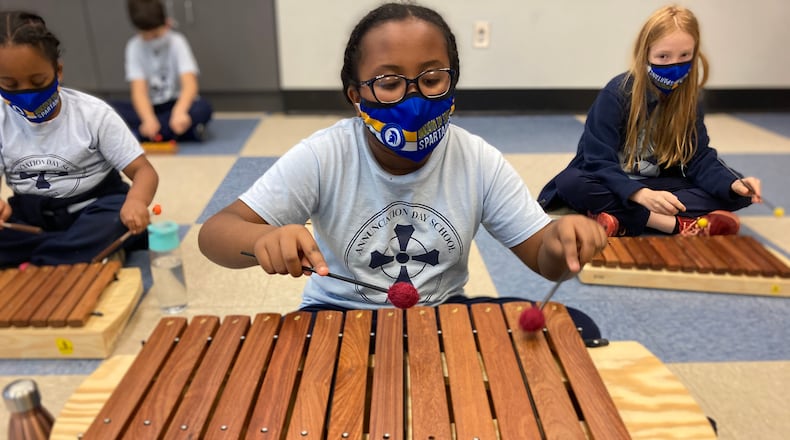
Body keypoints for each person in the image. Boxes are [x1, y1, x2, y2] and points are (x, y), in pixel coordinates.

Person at [199, 3, 608, 339]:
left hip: (441, 315)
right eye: (389, 83)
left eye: (431, 79)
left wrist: (562, 241)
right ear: (356, 98)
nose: (413, 98)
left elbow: (543, 259)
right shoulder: (325, 156)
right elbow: (214, 234)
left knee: (572, 327)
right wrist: (264, 238)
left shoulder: (477, 160)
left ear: (453, 84)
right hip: (336, 315)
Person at [538, 5, 761, 237]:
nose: (674, 65)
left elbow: (699, 158)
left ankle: (617, 218)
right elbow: (597, 162)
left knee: (736, 195)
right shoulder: (616, 94)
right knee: (571, 183)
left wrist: (734, 184)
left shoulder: (690, 100)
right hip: (612, 182)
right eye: (663, 56)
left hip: (660, 186)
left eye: (684, 56)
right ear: (645, 54)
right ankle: (672, 224)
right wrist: (638, 194)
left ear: (695, 55)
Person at [0, 11, 159, 267]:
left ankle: (44, 259)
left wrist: (136, 202)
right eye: (9, 85)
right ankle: (61, 255)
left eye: (38, 80)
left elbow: (144, 171)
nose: (26, 94)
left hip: (93, 208)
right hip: (31, 216)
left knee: (114, 221)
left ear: (58, 72)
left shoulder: (93, 114)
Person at [112, 0, 212, 142]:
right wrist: (148, 119)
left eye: (156, 34)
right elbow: (138, 91)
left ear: (166, 24)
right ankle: (182, 133)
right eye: (148, 36)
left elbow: (190, 85)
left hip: (175, 104)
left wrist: (180, 112)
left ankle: (144, 135)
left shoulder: (177, 42)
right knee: (108, 109)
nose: (153, 39)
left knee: (203, 108)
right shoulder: (134, 47)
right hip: (150, 107)